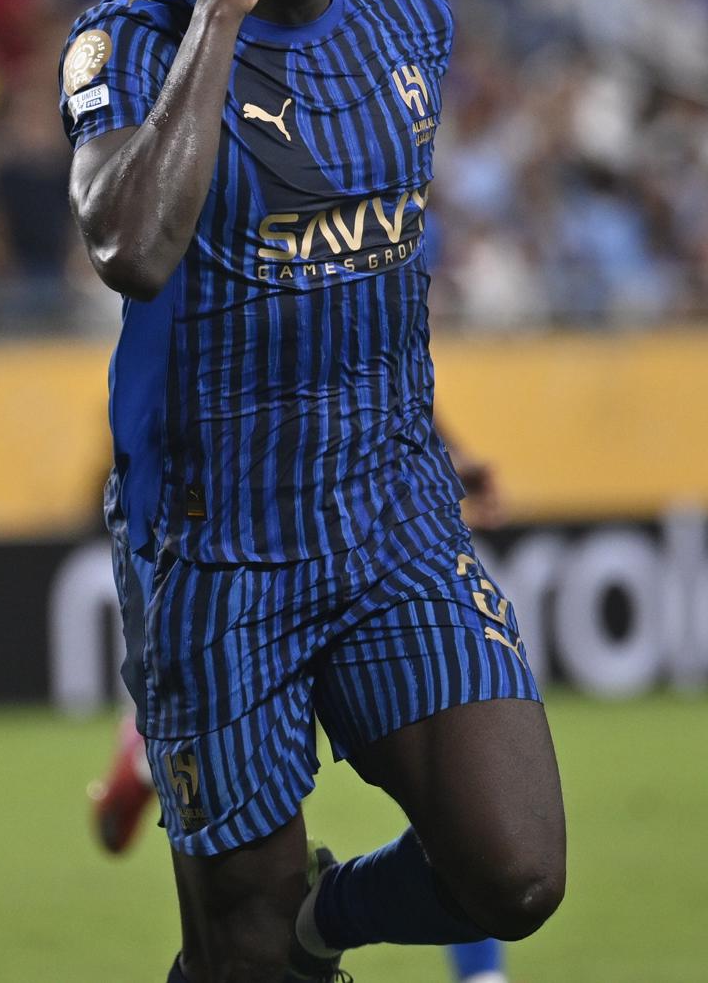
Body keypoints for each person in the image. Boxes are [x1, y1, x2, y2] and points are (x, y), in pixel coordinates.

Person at [60, 0, 566, 982]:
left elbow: (370, 284)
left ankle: (326, 915)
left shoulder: (412, 17)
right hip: (216, 536)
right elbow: (130, 243)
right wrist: (222, 11)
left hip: (393, 514)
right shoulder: (125, 40)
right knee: (239, 955)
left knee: (514, 871)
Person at [87, 418, 515, 982]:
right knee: (245, 929)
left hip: (358, 521)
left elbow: (374, 364)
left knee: (450, 766)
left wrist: (446, 455)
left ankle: (480, 973)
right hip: (232, 524)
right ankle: (153, 754)